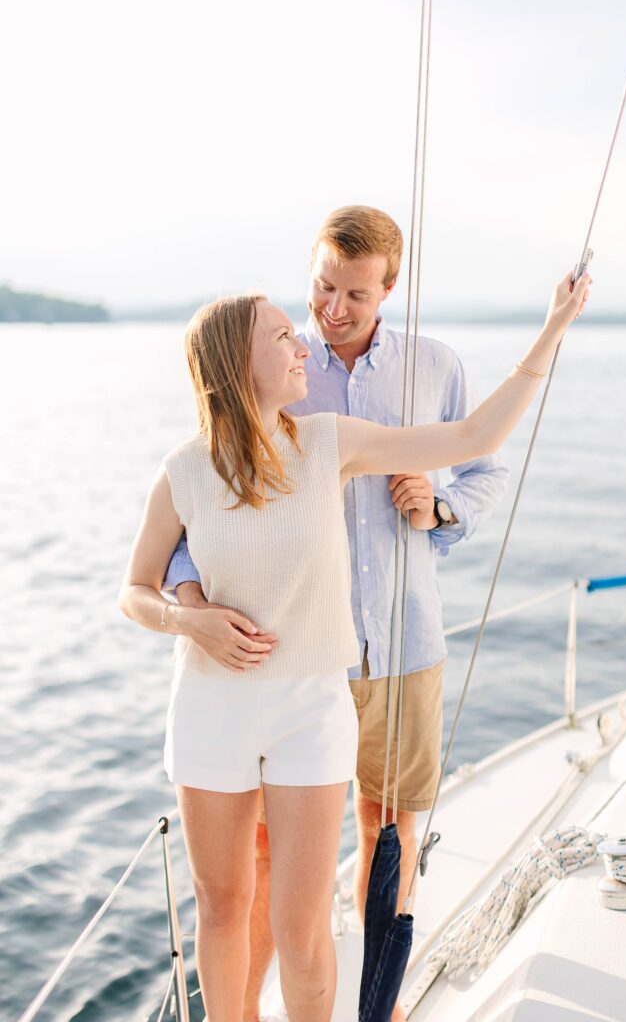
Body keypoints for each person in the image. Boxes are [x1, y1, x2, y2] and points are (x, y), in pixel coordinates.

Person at [119, 268, 591, 1022]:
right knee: (221, 909)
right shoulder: (182, 471)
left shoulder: (325, 442)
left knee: (302, 929)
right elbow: (135, 591)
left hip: (311, 708)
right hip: (210, 706)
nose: (302, 347)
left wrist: (553, 327)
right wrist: (189, 621)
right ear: (239, 366)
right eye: (282, 336)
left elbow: (473, 438)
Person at [166, 206, 508, 1022]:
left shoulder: (434, 365)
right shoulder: (270, 361)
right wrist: (187, 602)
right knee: (260, 850)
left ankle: (375, 1006)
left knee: (386, 833)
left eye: (353, 292)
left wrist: (439, 508)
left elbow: (480, 469)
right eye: (322, 285)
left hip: (400, 641)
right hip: (285, 658)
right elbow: (203, 504)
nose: (332, 308)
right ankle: (240, 1009)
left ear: (388, 288)